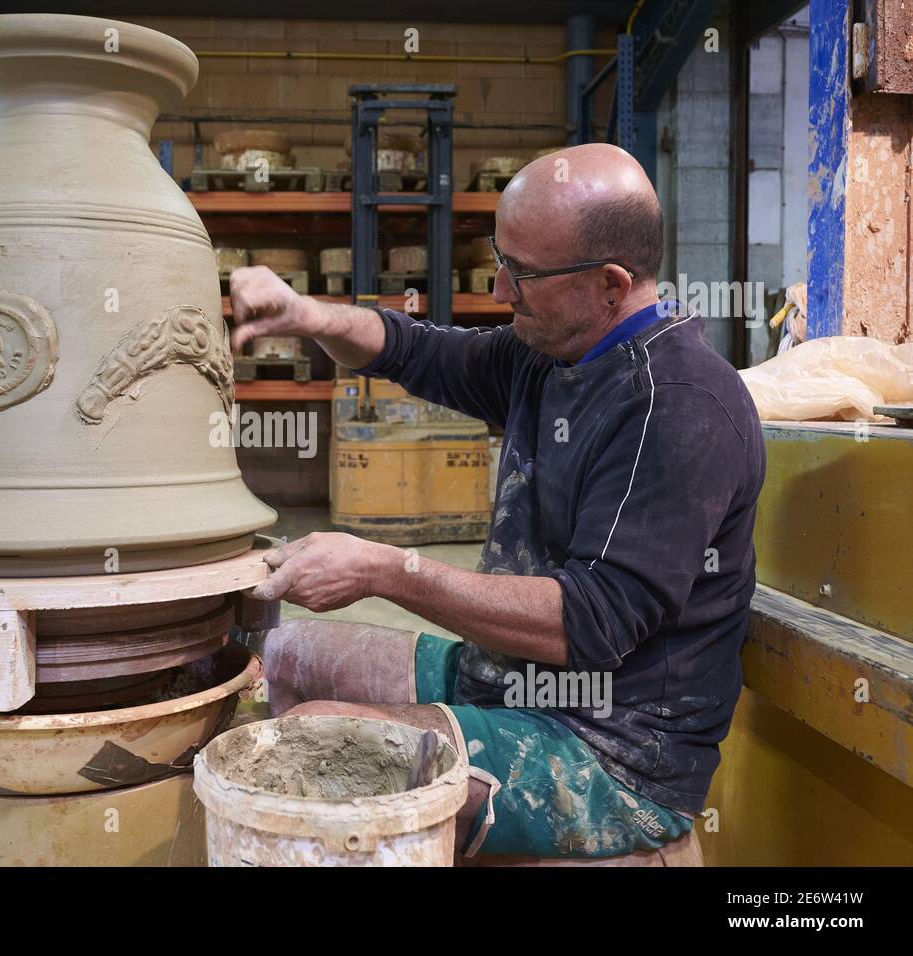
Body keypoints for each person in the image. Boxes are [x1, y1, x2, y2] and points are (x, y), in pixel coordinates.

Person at [227, 143, 766, 863]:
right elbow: (414, 350)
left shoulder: (678, 406)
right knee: (288, 650)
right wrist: (305, 314)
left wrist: (387, 571)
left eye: (523, 273)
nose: (503, 289)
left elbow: (590, 623)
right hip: (510, 676)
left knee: (323, 741)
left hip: (612, 743)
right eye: (501, 259)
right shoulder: (552, 353)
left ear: (609, 283)